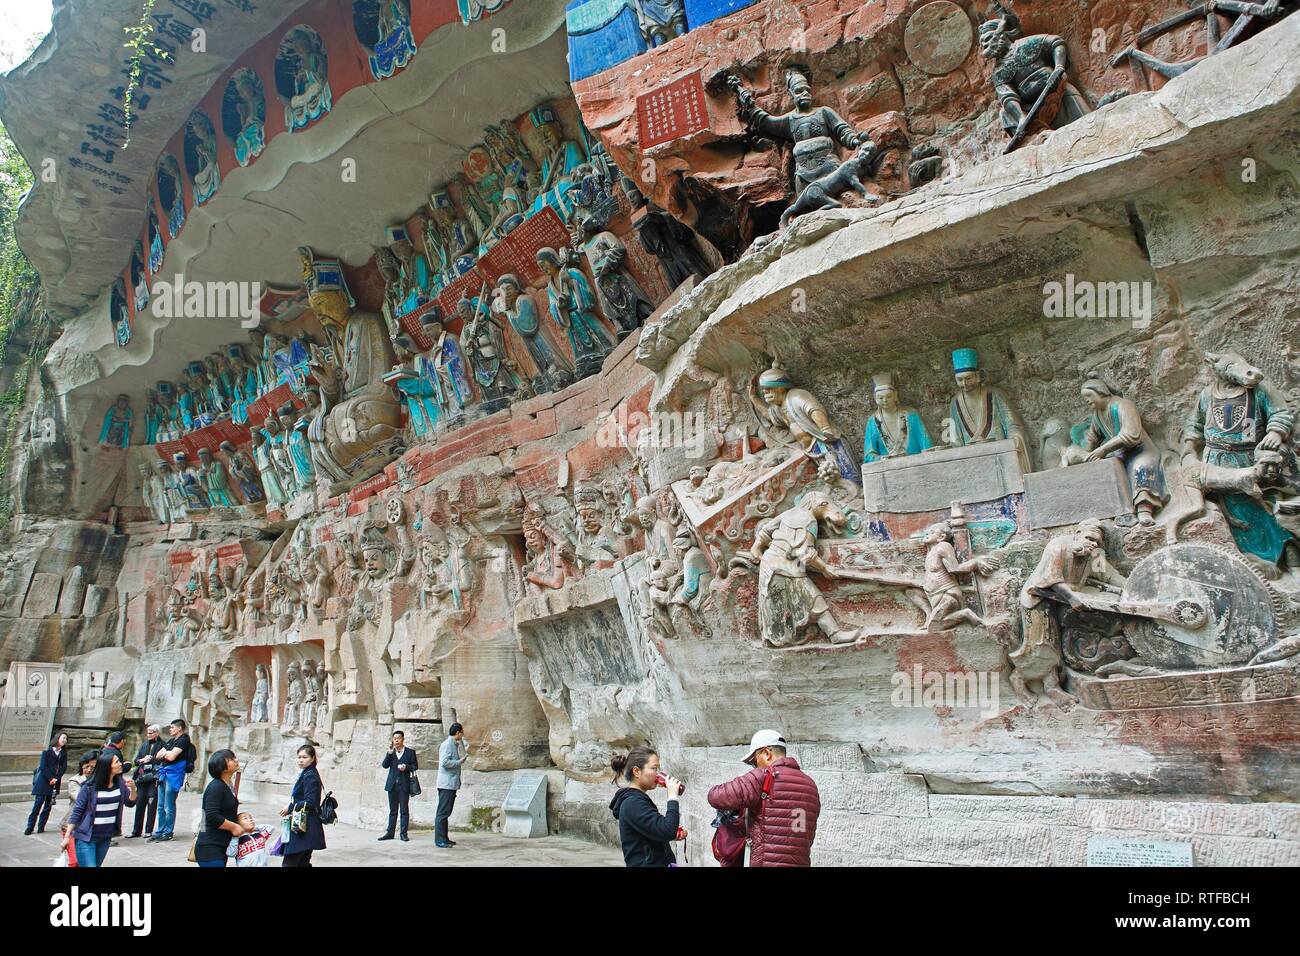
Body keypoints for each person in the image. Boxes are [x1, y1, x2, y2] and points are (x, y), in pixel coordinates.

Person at [706, 729, 821, 867]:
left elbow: (715, 796)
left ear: (767, 753)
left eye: (754, 761)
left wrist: (743, 780)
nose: (754, 767)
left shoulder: (764, 776)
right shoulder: (810, 785)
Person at [608, 745, 684, 867]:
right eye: (654, 768)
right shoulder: (633, 803)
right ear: (636, 771)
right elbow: (667, 830)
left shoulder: (637, 800)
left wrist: (673, 834)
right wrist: (672, 797)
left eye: (658, 769)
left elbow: (655, 831)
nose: (658, 774)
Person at [63, 750, 137, 868]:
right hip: (86, 837)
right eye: (117, 762)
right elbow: (77, 811)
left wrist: (133, 789)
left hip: (105, 837)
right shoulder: (89, 787)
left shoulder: (120, 784)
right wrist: (67, 836)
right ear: (107, 766)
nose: (120, 764)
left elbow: (130, 802)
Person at [194, 749, 244, 867]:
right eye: (231, 759)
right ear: (222, 767)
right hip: (210, 847)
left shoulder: (226, 786)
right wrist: (234, 826)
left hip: (219, 846)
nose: (236, 760)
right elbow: (212, 815)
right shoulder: (216, 787)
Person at [280, 744, 327, 866]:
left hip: (304, 825)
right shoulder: (307, 772)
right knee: (302, 862)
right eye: (299, 757)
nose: (300, 760)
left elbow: (311, 802)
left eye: (304, 757)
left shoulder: (310, 775)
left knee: (291, 862)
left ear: (312, 758)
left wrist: (290, 808)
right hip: (303, 824)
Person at [150, 718, 193, 843]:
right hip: (164, 773)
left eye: (172, 727)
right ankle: (160, 829)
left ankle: (168, 831)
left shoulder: (184, 740)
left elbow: (172, 756)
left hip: (174, 774)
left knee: (169, 804)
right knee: (160, 805)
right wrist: (166, 753)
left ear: (179, 728)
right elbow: (158, 755)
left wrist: (166, 753)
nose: (170, 729)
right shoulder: (171, 741)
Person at [25, 731, 68, 835]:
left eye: (66, 739)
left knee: (48, 806)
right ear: (57, 738)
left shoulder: (63, 753)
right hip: (43, 781)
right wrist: (50, 778)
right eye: (63, 738)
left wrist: (56, 778)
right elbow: (43, 767)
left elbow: (63, 767)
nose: (64, 740)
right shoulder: (47, 752)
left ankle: (41, 827)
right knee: (37, 805)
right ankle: (30, 827)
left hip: (55, 782)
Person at [379, 729, 418, 842]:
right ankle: (390, 833)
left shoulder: (410, 752)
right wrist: (389, 754)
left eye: (398, 738)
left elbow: (415, 766)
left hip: (404, 786)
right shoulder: (391, 752)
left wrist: (406, 767)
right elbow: (385, 765)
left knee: (404, 811)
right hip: (392, 785)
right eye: (394, 738)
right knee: (393, 811)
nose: (396, 740)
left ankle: (403, 834)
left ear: (402, 739)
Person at [128, 725, 165, 838]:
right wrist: (142, 760)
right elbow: (136, 760)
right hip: (142, 779)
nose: (148, 735)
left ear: (157, 733)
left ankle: (148, 830)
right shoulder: (144, 745)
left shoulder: (163, 745)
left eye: (151, 732)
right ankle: (136, 831)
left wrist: (152, 759)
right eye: (148, 732)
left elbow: (164, 761)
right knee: (139, 804)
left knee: (151, 804)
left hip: (153, 779)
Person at [435, 723, 467, 848]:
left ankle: (445, 838)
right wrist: (460, 762)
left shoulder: (453, 744)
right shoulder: (447, 744)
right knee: (442, 813)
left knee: (446, 813)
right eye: (462, 732)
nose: (463, 734)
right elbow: (444, 763)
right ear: (458, 733)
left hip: (450, 784)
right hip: (446, 784)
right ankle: (439, 840)